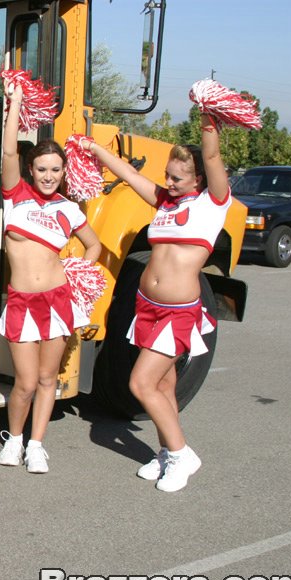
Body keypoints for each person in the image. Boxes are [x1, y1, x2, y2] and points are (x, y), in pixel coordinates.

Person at [81, 111, 229, 492]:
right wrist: (94, 148)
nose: (169, 182)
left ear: (198, 179)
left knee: (140, 383)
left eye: (178, 178)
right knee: (162, 385)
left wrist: (208, 121)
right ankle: (166, 452)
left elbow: (212, 158)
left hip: (178, 312)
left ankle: (181, 455)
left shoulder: (212, 205)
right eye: (167, 174)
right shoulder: (165, 202)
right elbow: (130, 176)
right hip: (147, 306)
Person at [0, 82, 101, 474]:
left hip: (57, 301)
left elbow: (95, 246)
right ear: (30, 169)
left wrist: (76, 274)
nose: (49, 176)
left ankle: (37, 444)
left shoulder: (68, 209)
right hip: (22, 302)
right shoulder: (15, 195)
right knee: (23, 381)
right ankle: (15, 439)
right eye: (42, 168)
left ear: (63, 172)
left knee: (46, 378)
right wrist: (16, 102)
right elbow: (8, 150)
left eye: (56, 170)